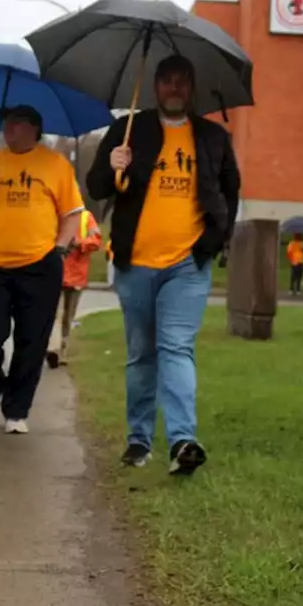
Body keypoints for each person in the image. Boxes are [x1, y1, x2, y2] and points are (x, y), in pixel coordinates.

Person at [87, 54, 240, 475]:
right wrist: (113, 163)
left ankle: (181, 441)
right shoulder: (129, 130)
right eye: (166, 80)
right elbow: (97, 186)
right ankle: (138, 440)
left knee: (176, 347)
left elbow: (230, 193)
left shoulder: (212, 137)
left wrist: (212, 242)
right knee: (141, 354)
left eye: (182, 81)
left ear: (191, 88)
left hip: (186, 265)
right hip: (135, 262)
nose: (174, 87)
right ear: (155, 86)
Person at [0, 104, 84, 434]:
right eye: (7, 123)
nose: (9, 128)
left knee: (32, 341)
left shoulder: (55, 164)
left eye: (16, 123)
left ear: (34, 128)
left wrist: (59, 248)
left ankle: (17, 410)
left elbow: (73, 212)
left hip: (39, 265)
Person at [47, 208, 102, 368]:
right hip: (56, 273)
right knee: (55, 313)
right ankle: (54, 350)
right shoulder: (56, 214)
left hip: (77, 274)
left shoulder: (86, 217)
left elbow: (96, 240)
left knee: (68, 317)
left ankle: (62, 351)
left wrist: (79, 243)